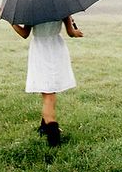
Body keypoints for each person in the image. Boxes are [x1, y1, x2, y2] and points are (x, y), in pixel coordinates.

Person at [11, 16, 83, 147]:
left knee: (48, 94)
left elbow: (24, 34)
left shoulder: (32, 11)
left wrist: (12, 22)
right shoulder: (62, 8)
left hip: (40, 50)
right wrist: (76, 32)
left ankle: (52, 136)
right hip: (56, 48)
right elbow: (71, 33)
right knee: (50, 91)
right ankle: (46, 128)